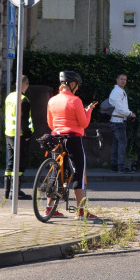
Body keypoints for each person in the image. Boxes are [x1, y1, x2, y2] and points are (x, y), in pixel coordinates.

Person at [46, 70, 100, 221]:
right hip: (73, 139)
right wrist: (88, 111)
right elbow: (83, 123)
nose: (78, 88)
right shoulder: (75, 101)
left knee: (55, 172)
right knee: (78, 173)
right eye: (77, 85)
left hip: (56, 138)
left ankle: (49, 208)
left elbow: (50, 123)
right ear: (72, 84)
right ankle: (81, 211)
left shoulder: (52, 101)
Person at [3, 75, 33, 200]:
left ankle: (7, 191)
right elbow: (23, 121)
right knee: (20, 164)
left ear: (16, 84)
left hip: (9, 133)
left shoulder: (10, 97)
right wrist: (27, 135)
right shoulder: (23, 100)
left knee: (10, 162)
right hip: (20, 136)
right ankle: (15, 191)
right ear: (27, 84)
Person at [108, 73, 136, 173]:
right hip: (118, 121)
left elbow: (122, 107)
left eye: (125, 79)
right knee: (122, 144)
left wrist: (128, 114)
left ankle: (115, 165)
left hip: (118, 120)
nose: (123, 81)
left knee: (116, 144)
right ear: (117, 80)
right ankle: (121, 167)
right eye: (121, 79)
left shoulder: (120, 91)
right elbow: (119, 108)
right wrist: (130, 114)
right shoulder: (116, 92)